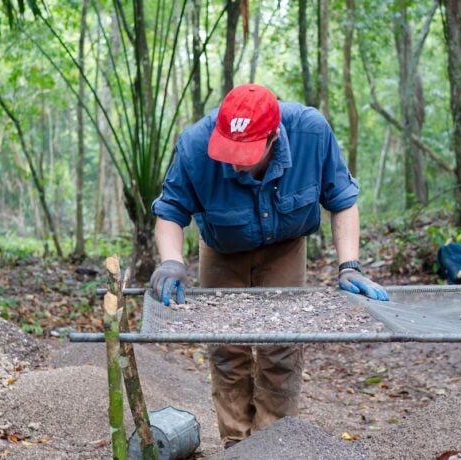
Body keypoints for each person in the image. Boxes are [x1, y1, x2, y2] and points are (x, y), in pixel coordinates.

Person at [149, 83, 389, 448]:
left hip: (285, 246)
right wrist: (170, 262)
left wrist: (349, 266)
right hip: (222, 247)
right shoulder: (196, 145)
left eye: (245, 152)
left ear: (273, 136)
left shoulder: (311, 132)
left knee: (282, 346)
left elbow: (342, 199)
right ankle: (237, 446)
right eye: (229, 149)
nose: (233, 160)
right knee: (227, 348)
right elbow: (170, 211)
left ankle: (271, 445)